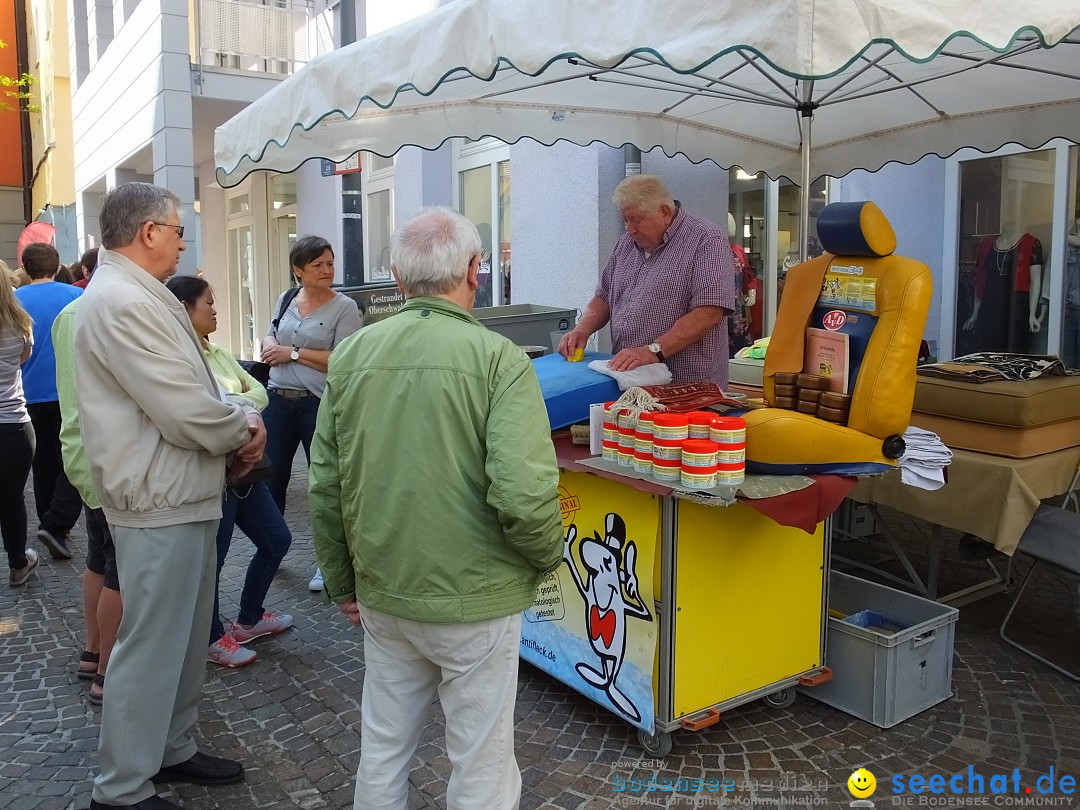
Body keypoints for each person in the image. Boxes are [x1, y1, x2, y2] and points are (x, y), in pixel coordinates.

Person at [309, 207, 563, 810]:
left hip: (385, 589)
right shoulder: (500, 358)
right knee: (481, 758)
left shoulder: (352, 356)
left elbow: (326, 485)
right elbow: (523, 494)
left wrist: (343, 580)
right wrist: (545, 558)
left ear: (397, 277)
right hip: (476, 596)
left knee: (384, 748)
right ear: (476, 270)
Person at [75, 182, 266, 810]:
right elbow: (182, 407)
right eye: (177, 228)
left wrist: (235, 413)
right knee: (153, 642)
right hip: (157, 495)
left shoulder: (136, 294)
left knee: (183, 638)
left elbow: (195, 388)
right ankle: (122, 787)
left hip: (179, 490)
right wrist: (242, 425)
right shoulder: (122, 299)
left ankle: (171, 749)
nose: (185, 239)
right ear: (147, 232)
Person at [166, 275, 293, 669]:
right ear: (186, 308)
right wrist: (241, 403)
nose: (216, 310)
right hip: (214, 473)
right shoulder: (178, 353)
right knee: (213, 561)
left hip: (245, 471)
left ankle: (248, 619)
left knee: (277, 540)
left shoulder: (215, 351)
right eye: (209, 303)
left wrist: (237, 401)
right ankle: (210, 637)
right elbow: (205, 404)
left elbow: (259, 390)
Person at [557, 174, 737, 388]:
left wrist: (653, 350)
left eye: (637, 219)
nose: (630, 229)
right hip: (631, 384)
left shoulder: (706, 239)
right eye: (625, 220)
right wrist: (581, 330)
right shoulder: (625, 243)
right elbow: (603, 296)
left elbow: (708, 314)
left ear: (664, 212)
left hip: (688, 388)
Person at [259, 235, 361, 592]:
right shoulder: (286, 298)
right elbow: (271, 336)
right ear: (298, 270)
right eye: (318, 264)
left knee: (323, 482)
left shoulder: (345, 308)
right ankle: (268, 551)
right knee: (272, 480)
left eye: (330, 263)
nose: (327, 270)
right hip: (277, 400)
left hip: (317, 404)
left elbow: (345, 359)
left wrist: (294, 353)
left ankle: (326, 561)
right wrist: (271, 347)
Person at [53, 296, 122, 704]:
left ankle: (92, 652)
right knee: (121, 569)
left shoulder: (71, 312)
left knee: (99, 559)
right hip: (105, 453)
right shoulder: (107, 309)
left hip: (79, 450)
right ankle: (106, 672)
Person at [15, 242, 83, 560]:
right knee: (73, 457)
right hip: (68, 390)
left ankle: (48, 520)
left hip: (28, 393)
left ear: (26, 269)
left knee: (42, 461)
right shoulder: (76, 296)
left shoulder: (13, 301)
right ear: (57, 267)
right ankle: (57, 523)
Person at [0, 276, 37, 586]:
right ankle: (17, 564)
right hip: (13, 424)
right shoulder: (19, 326)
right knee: (11, 498)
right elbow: (23, 360)